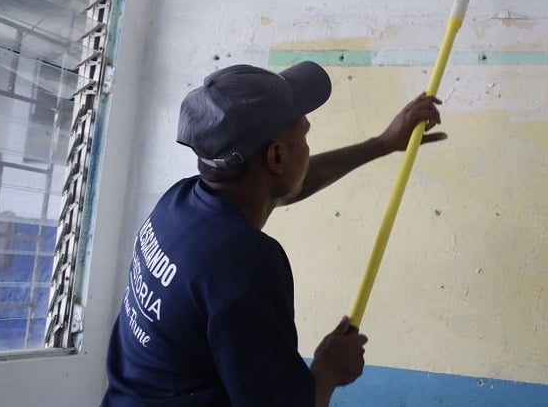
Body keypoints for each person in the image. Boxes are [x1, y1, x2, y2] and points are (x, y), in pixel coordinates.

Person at [102, 61, 446, 406]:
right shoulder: (246, 267)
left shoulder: (180, 203)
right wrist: (328, 369)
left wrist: (382, 143)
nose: (307, 146)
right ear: (277, 155)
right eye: (304, 135)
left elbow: (284, 185)